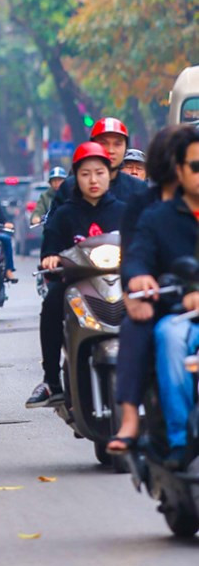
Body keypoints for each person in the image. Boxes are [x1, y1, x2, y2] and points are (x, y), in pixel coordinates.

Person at [121, 125, 199, 465]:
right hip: (175, 310)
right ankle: (177, 438)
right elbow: (136, 254)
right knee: (164, 334)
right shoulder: (154, 214)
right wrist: (137, 279)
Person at [26, 142, 125, 407]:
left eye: (100, 172)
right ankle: (51, 380)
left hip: (121, 282)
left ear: (110, 174)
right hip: (79, 284)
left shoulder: (125, 211)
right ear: (75, 178)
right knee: (51, 304)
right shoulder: (64, 214)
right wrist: (51, 257)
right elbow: (50, 248)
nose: (93, 180)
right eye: (85, 174)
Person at [107, 125, 181, 454]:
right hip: (160, 299)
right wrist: (135, 285)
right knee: (134, 329)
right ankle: (129, 418)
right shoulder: (146, 209)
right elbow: (134, 254)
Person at [48, 117, 145, 215]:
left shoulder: (138, 189)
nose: (111, 150)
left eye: (117, 144)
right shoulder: (69, 187)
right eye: (103, 143)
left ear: (126, 147)